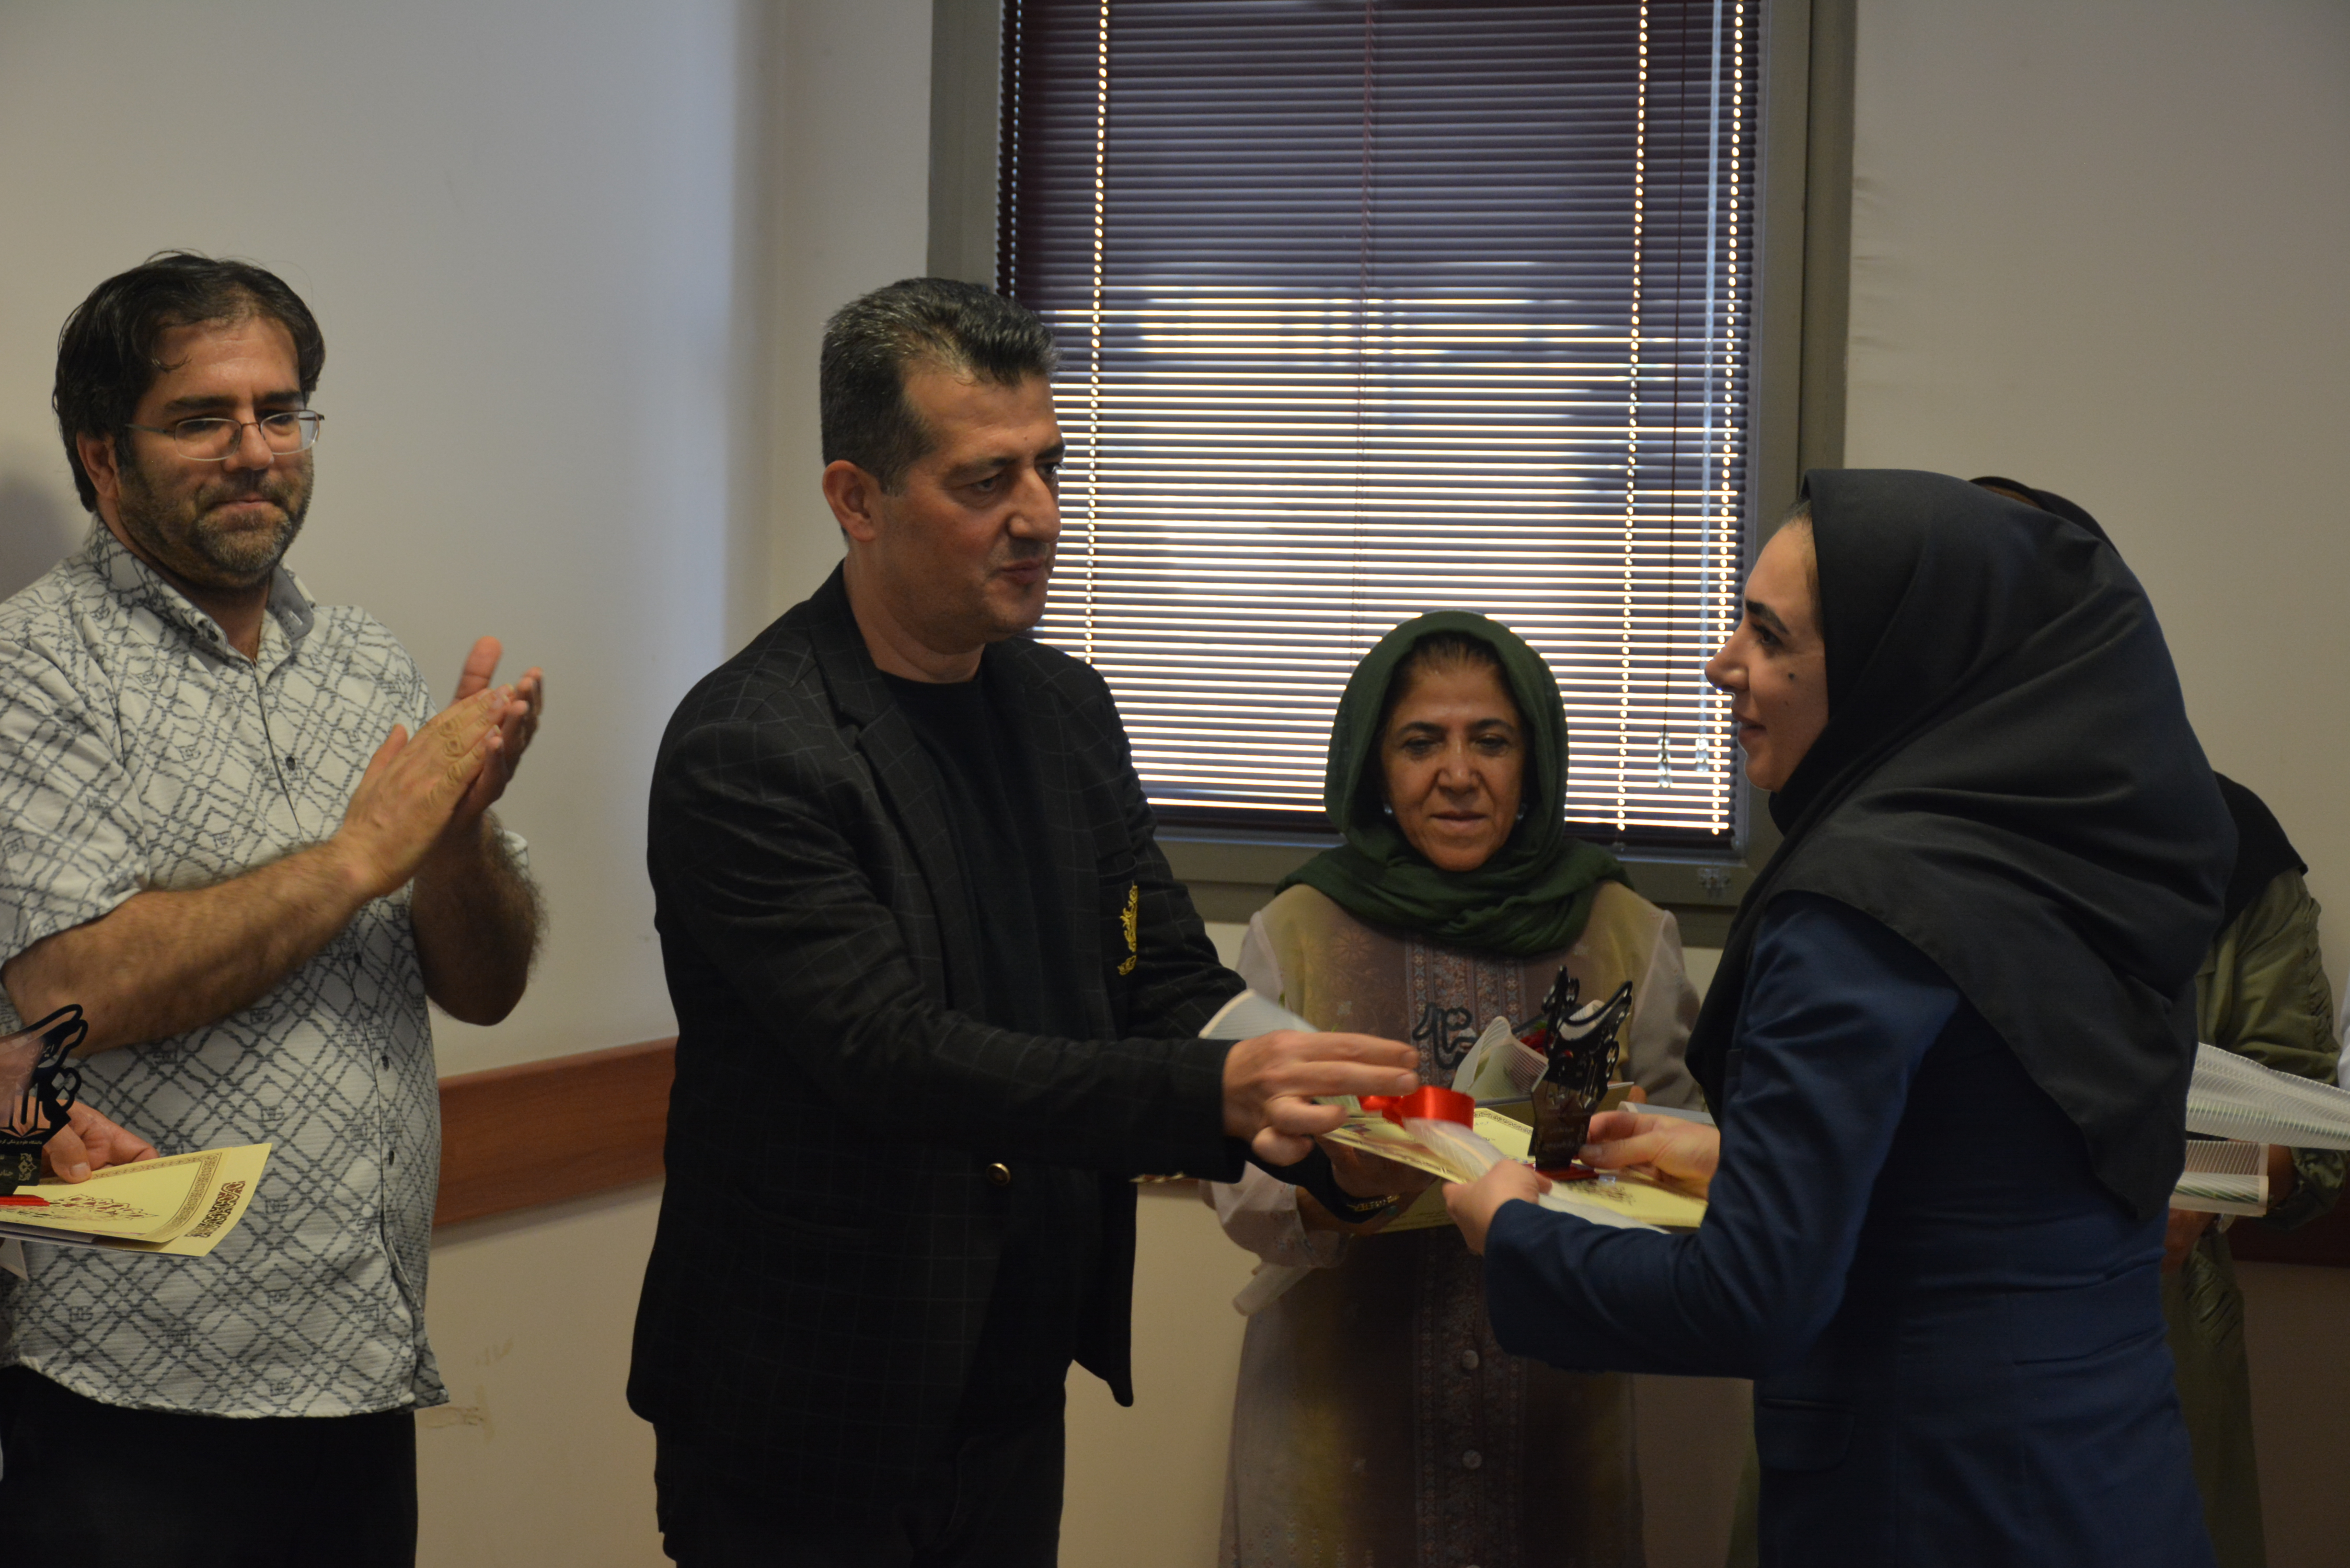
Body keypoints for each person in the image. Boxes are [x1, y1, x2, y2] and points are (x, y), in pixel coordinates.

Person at [627, 276, 1419, 1567]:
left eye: (1048, 465)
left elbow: (1165, 979)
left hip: (1004, 1386)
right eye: (985, 480)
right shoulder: (751, 743)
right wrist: (1214, 1096)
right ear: (857, 500)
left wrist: (1325, 1127)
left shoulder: (1064, 709)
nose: (1040, 515)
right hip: (805, 1410)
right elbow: (894, 1055)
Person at [1444, 470, 2233, 1566]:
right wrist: (1745, 1159)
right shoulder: (2086, 867)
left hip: (1929, 1504)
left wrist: (1515, 1233)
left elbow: (1750, 1302)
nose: (1721, 663)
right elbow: (2000, 1173)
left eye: (1769, 637)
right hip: (2109, 1485)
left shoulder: (1860, 909)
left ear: (1895, 663)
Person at [0, 253, 545, 1565]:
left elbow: (484, 988)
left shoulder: (363, 660)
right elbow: (77, 988)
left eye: (281, 411)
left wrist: (456, 842)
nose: (256, 450)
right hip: (135, 1395)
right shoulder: (35, 667)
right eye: (203, 418)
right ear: (103, 456)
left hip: (361, 1366)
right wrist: (357, 858)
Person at [1204, 611, 1700, 1567]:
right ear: (1375, 767)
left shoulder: (1630, 933)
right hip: (1342, 1427)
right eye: (1421, 742)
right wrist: (1339, 1186)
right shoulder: (1297, 930)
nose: (1459, 773)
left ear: (1535, 760)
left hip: (1557, 1422)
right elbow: (1240, 1187)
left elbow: (1684, 1172)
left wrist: (1613, 1169)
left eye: (1493, 741)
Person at [1969, 476, 2343, 1568]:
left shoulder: (2222, 845)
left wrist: (2185, 1183)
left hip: (2140, 1343)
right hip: (1897, 1353)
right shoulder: (1861, 838)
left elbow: (2311, 1149)